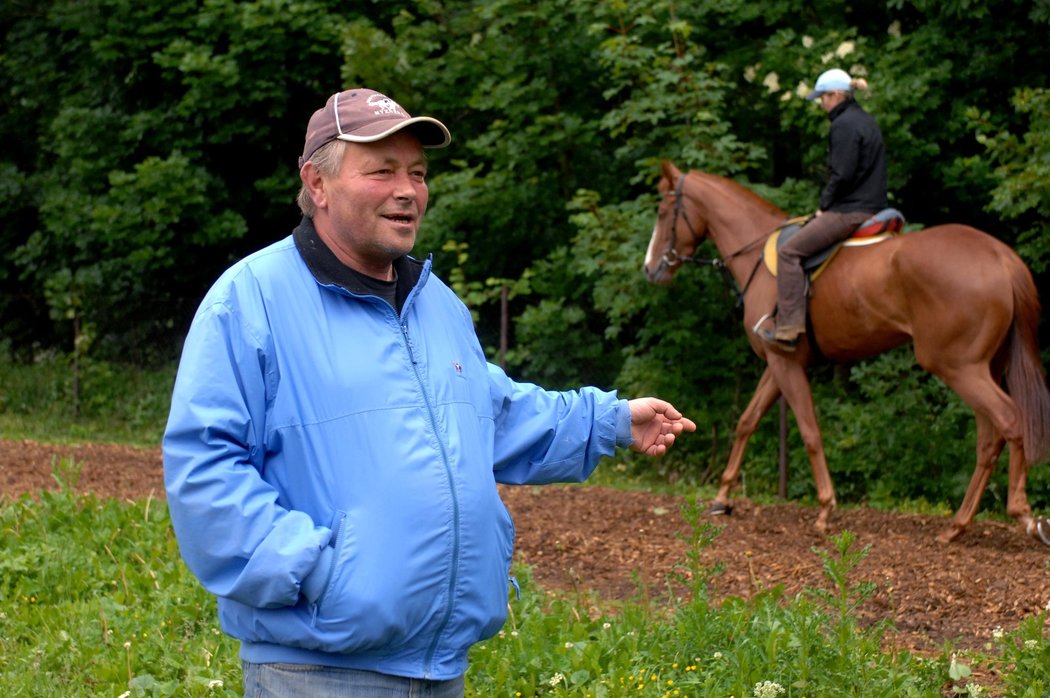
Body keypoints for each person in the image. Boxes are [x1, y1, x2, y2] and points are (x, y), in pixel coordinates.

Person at [162, 87, 697, 698]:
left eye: (417, 172)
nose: (407, 190)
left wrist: (611, 421)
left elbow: (494, 416)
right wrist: (319, 573)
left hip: (441, 668)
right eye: (382, 170)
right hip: (317, 670)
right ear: (317, 183)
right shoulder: (251, 299)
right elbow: (205, 469)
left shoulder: (436, 305)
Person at [757, 68, 888, 350]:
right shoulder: (865, 121)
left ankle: (788, 330)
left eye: (823, 98)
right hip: (874, 206)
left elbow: (841, 175)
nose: (821, 103)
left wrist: (823, 207)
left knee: (788, 251)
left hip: (850, 210)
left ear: (837, 95)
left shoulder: (844, 125)